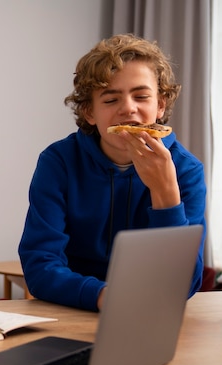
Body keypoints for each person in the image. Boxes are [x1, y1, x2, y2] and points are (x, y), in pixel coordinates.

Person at [18, 34, 206, 312]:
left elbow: (183, 285)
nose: (128, 108)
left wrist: (165, 193)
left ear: (161, 105)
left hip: (152, 313)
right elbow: (40, 266)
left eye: (141, 96)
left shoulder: (186, 170)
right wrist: (104, 295)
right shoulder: (58, 162)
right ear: (89, 112)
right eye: (110, 99)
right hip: (73, 308)